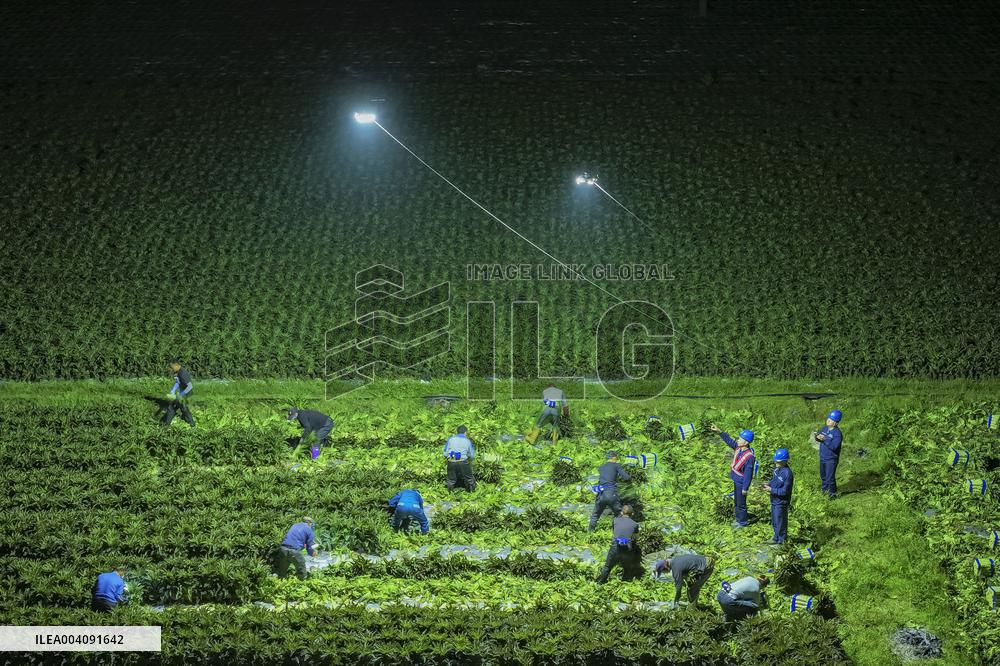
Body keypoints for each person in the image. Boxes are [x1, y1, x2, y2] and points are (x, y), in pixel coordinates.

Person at [709, 425, 756, 528]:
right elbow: (729, 441)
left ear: (746, 442)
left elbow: (748, 474)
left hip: (741, 482)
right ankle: (739, 518)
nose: (737, 440)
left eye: (740, 439)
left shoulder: (749, 457)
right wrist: (719, 431)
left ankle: (743, 522)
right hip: (736, 479)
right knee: (737, 501)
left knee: (741, 503)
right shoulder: (738, 448)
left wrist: (745, 488)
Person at [596, 505, 642, 584]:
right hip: (627, 549)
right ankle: (624, 583)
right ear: (632, 514)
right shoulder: (635, 524)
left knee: (607, 567)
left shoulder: (615, 520)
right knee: (627, 568)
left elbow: (615, 532)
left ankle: (601, 582)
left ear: (621, 512)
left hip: (615, 547)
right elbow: (636, 537)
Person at [588, 451, 632, 531]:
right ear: (614, 457)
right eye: (616, 458)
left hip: (601, 494)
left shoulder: (601, 467)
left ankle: (589, 533)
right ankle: (618, 532)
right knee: (619, 514)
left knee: (595, 515)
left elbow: (606, 477)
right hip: (611, 494)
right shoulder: (616, 465)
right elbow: (626, 478)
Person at [652, 552, 717, 605]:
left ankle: (693, 609)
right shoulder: (675, 559)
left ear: (666, 567)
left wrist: (676, 600)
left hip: (707, 566)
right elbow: (685, 571)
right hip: (706, 560)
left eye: (663, 572)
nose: (665, 573)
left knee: (692, 589)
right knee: (691, 585)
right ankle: (694, 603)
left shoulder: (676, 570)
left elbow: (678, 588)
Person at [763, 448, 794, 544]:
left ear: (785, 461)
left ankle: (782, 541)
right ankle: (775, 538)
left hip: (781, 502)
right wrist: (768, 484)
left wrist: (771, 490)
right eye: (775, 461)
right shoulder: (777, 469)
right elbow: (774, 481)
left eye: (778, 462)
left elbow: (785, 491)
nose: (776, 463)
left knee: (781, 522)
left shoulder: (788, 474)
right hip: (774, 500)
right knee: (775, 521)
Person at [815, 410, 843, 498]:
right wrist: (817, 437)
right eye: (828, 418)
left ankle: (832, 495)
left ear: (835, 423)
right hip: (823, 457)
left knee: (830, 478)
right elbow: (819, 437)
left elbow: (834, 446)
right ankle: (824, 492)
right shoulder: (824, 429)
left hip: (831, 459)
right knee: (823, 476)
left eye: (830, 420)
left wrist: (824, 440)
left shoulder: (837, 434)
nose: (828, 420)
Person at [443, 425, 476, 492]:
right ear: (465, 432)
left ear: (457, 432)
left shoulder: (450, 439)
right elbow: (472, 455)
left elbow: (445, 453)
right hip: (463, 462)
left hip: (451, 461)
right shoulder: (467, 441)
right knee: (469, 479)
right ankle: (471, 492)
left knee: (451, 480)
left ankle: (449, 494)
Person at [163, 360, 195, 427]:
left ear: (176, 365)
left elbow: (190, 386)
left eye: (172, 367)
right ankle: (191, 423)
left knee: (174, 408)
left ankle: (165, 425)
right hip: (182, 394)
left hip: (185, 395)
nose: (171, 369)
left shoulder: (183, 373)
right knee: (182, 409)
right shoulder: (178, 372)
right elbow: (178, 382)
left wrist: (181, 394)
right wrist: (173, 390)